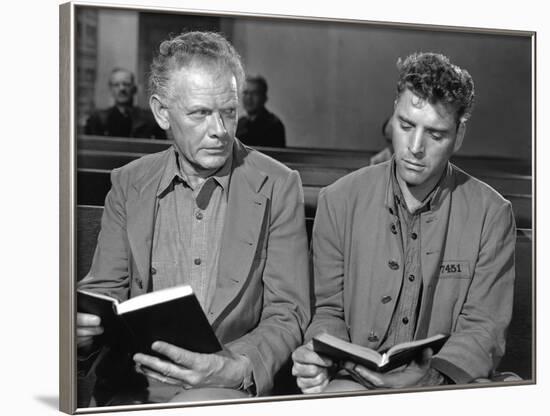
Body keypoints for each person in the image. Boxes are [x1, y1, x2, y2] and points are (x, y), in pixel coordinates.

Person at [77, 31, 310, 405]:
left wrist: (236, 366)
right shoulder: (128, 183)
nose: (219, 130)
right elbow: (106, 290)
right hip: (134, 384)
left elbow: (289, 312)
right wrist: (82, 327)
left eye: (229, 111)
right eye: (200, 113)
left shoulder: (278, 185)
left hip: (224, 385)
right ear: (161, 113)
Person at [292, 52, 516, 393]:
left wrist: (430, 377)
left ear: (459, 136)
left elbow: (483, 328)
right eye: (406, 125)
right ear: (393, 115)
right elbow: (327, 310)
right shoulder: (338, 200)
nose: (414, 148)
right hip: (354, 378)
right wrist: (326, 359)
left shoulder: (492, 214)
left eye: (436, 135)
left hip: (445, 384)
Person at [85, 67, 166, 139]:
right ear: (111, 89)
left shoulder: (151, 120)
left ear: (134, 88)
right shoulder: (97, 120)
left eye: (126, 84)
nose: (122, 88)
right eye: (116, 85)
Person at [236, 75, 286, 147]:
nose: (249, 98)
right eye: (246, 93)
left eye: (255, 93)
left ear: (264, 98)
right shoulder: (240, 123)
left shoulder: (274, 125)